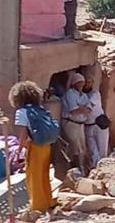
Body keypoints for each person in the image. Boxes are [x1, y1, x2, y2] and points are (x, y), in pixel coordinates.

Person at [10, 81, 56, 212]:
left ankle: (38, 206)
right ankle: (48, 201)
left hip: (35, 146)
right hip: (47, 146)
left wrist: (18, 151)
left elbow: (23, 136)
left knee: (33, 176)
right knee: (44, 174)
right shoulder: (40, 109)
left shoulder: (22, 112)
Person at [61, 71, 92, 172]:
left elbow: (89, 109)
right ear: (74, 83)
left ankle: (82, 168)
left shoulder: (83, 95)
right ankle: (75, 169)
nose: (81, 84)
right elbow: (74, 110)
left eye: (82, 82)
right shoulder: (70, 94)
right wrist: (82, 109)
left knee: (82, 148)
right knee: (74, 147)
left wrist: (81, 108)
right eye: (79, 82)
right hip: (71, 123)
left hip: (80, 124)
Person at [83, 76, 109, 165]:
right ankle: (95, 168)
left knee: (102, 150)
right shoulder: (81, 95)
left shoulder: (95, 94)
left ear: (92, 83)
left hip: (99, 124)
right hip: (88, 126)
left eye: (89, 82)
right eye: (85, 82)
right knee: (92, 150)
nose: (87, 85)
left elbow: (89, 108)